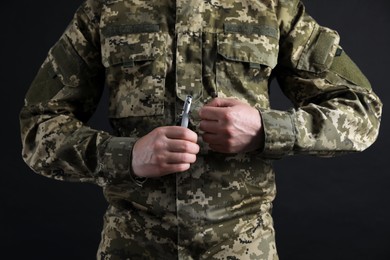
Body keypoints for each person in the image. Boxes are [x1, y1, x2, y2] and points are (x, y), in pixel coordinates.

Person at [20, 0, 382, 259]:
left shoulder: (276, 8)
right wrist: (126, 155)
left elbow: (362, 111)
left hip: (244, 248)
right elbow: (38, 128)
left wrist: (266, 128)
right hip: (131, 246)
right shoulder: (104, 9)